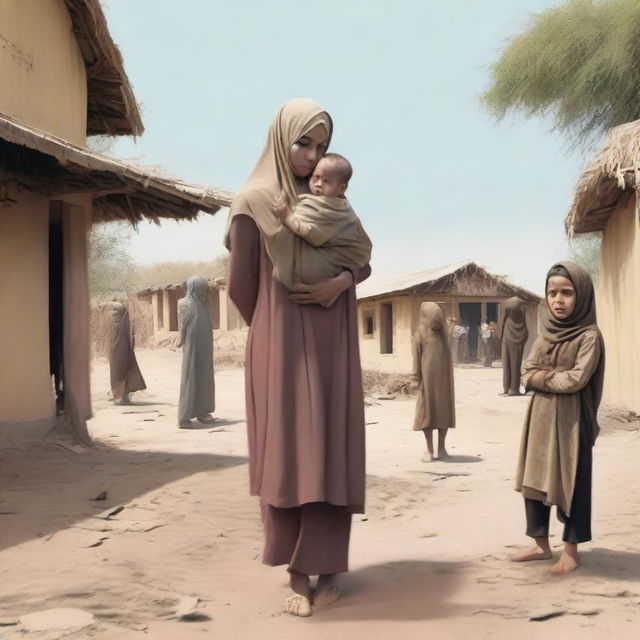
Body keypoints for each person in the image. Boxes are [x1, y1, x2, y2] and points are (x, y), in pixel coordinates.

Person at [225, 98, 370, 618]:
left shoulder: (331, 201)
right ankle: (294, 572)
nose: (312, 156)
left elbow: (362, 259)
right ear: (280, 139)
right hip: (281, 343)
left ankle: (329, 566)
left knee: (330, 446)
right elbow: (242, 287)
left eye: (322, 146)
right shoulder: (253, 201)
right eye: (303, 143)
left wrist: (339, 282)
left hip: (333, 339)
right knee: (289, 452)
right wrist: (275, 330)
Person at [511, 262, 604, 574]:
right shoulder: (545, 332)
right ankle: (540, 544)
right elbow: (526, 371)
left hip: (571, 421)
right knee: (534, 477)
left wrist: (540, 377)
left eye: (567, 292)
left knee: (572, 480)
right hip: (539, 417)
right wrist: (544, 376)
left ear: (582, 296)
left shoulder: (589, 336)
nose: (559, 300)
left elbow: (576, 379)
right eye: (552, 293)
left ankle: (572, 550)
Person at [271, 152, 372, 288]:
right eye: (316, 177)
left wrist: (287, 216)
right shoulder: (320, 201)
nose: (318, 184)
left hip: (333, 264)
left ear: (341, 188)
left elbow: (311, 233)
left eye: (326, 181)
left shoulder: (331, 207)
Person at [410, 302, 455, 461]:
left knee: (443, 412)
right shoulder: (420, 332)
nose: (436, 319)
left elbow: (447, 353)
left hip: (443, 379)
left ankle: (441, 448)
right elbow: (416, 357)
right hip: (427, 379)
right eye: (433, 316)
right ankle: (429, 449)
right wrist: (415, 377)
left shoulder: (443, 333)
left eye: (438, 316)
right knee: (426, 412)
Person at [176, 276, 215, 428]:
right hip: (192, 347)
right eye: (202, 288)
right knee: (190, 377)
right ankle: (184, 417)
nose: (204, 291)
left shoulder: (204, 303)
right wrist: (180, 339)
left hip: (205, 346)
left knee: (204, 377)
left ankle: (203, 412)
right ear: (194, 287)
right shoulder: (183, 303)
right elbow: (182, 324)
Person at [104, 300, 146, 405]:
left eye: (116, 311)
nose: (113, 313)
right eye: (113, 310)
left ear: (120, 312)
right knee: (118, 373)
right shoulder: (115, 322)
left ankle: (121, 396)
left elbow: (129, 339)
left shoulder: (123, 324)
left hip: (122, 352)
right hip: (116, 352)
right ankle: (121, 395)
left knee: (120, 373)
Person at [500, 297, 528, 395]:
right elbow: (525, 333)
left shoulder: (508, 319)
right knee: (515, 366)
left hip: (507, 342)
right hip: (516, 345)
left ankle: (507, 388)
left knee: (507, 365)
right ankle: (513, 389)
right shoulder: (521, 316)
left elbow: (501, 330)